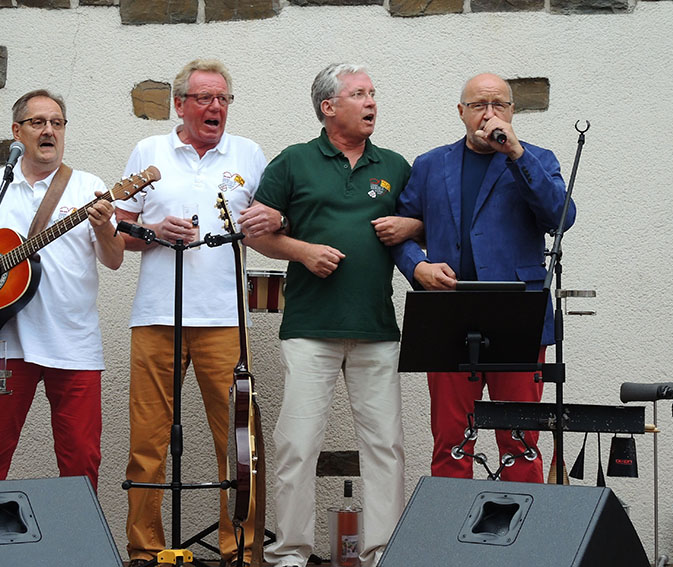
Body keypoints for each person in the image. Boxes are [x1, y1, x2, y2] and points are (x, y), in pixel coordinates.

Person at [240, 63, 419, 567]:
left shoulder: (395, 165)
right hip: (310, 329)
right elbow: (255, 231)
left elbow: (425, 223)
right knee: (296, 444)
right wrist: (303, 251)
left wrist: (414, 222)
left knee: (385, 447)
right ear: (328, 107)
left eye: (373, 94)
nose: (371, 103)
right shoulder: (294, 161)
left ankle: (382, 553)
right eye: (359, 94)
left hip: (376, 329)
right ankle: (291, 554)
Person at [115, 59, 276, 567]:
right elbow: (119, 233)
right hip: (157, 316)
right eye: (205, 98)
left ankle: (241, 552)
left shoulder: (249, 154)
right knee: (148, 439)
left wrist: (276, 215)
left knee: (240, 443)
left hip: (225, 318)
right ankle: (145, 551)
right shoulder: (150, 152)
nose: (216, 108)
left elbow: (268, 228)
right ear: (180, 104)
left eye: (224, 99)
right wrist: (154, 231)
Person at [392, 73, 577, 482]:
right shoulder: (429, 165)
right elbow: (399, 231)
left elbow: (560, 218)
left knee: (521, 441)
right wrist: (417, 267)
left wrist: (516, 154)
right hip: (448, 316)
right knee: (451, 440)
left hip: (517, 315)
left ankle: (521, 542)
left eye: (499, 105)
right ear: (461, 112)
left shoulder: (537, 159)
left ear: (512, 112)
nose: (489, 114)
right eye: (479, 105)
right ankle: (452, 541)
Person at [0, 89, 125, 490]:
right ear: (17, 132)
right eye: (38, 123)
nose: (49, 131)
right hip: (6, 344)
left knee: (81, 459)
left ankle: (78, 550)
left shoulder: (87, 187)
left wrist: (101, 225)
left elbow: (114, 259)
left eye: (57, 123)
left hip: (74, 345)